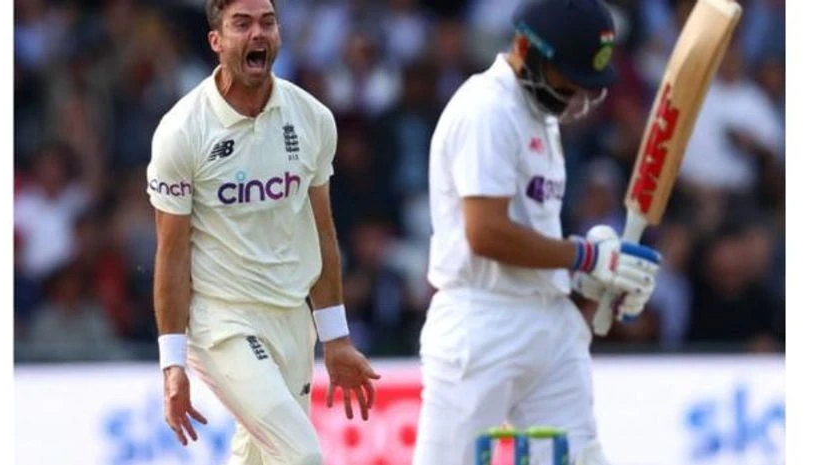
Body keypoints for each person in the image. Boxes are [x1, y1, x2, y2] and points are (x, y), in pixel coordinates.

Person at [413, 1, 663, 464]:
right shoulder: (487, 108)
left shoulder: (538, 114)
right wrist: (585, 257)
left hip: (547, 322)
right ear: (527, 48)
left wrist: (589, 278)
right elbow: (485, 234)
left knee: (582, 457)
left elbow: (534, 231)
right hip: (482, 326)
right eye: (567, 82)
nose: (574, 100)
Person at [145, 1, 380, 464]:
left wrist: (335, 337)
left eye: (267, 22)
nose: (258, 33)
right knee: (302, 455)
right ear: (216, 42)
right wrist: (172, 363)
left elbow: (320, 230)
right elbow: (170, 255)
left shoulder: (312, 118)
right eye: (242, 24)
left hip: (292, 319)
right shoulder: (182, 131)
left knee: (258, 458)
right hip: (223, 323)